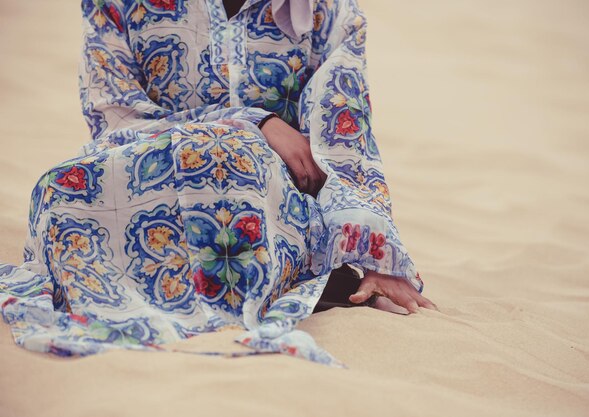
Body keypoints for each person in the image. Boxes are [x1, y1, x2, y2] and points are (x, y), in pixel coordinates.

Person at [0, 0, 434, 366]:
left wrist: (378, 254)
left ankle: (296, 276)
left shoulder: (325, 8)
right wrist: (254, 121)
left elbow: (345, 136)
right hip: (141, 175)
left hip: (263, 187)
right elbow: (113, 118)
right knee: (59, 187)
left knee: (229, 156)